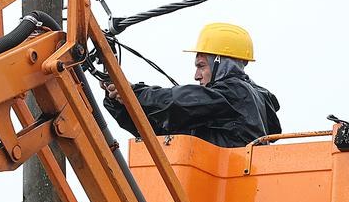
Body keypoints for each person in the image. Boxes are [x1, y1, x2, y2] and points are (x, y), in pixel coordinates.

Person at [103, 23, 281, 148]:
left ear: (221, 63)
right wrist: (121, 103)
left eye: (201, 66)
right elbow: (159, 131)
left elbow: (180, 101)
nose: (196, 76)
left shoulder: (237, 93)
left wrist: (134, 93)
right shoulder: (217, 113)